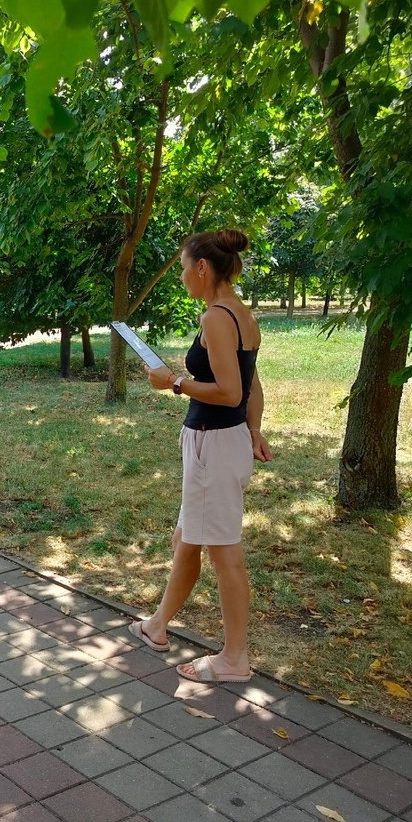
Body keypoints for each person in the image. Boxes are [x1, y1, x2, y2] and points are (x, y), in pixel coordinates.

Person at [128, 228, 273, 683]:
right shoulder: (241, 314)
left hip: (213, 441)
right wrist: (254, 430)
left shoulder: (216, 317)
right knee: (186, 538)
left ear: (203, 268)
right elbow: (253, 387)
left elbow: (230, 391)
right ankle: (156, 626)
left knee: (224, 553)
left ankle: (234, 659)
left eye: (184, 268)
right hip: (223, 440)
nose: (183, 278)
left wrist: (172, 382)